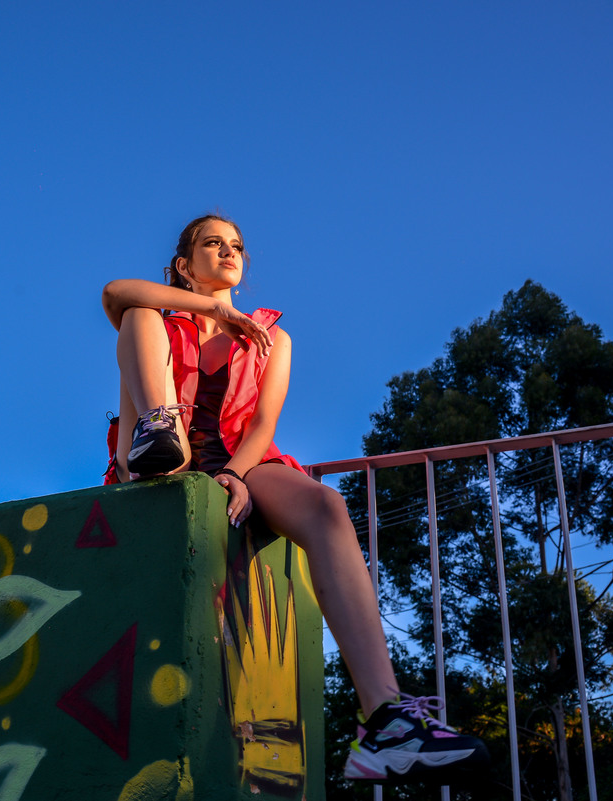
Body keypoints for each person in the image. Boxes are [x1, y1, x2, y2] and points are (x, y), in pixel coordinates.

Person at [101, 214, 489, 783]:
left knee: (327, 507)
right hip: (165, 458)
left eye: (237, 246)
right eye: (213, 244)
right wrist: (215, 311)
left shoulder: (272, 338)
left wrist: (235, 474)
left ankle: (386, 722)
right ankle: (159, 427)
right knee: (137, 312)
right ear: (184, 264)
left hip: (238, 458)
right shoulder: (155, 321)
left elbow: (262, 425)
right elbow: (116, 292)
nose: (229, 252)